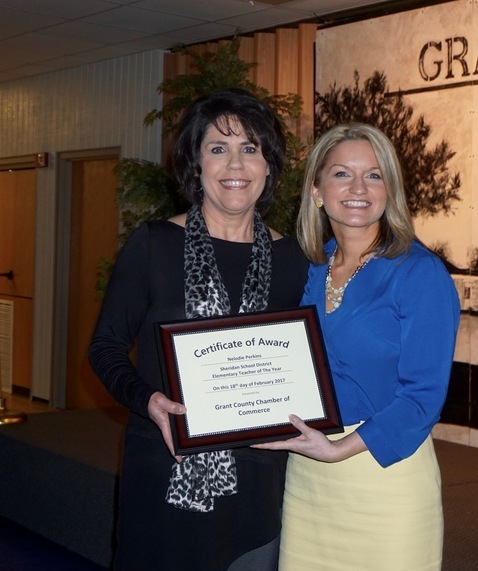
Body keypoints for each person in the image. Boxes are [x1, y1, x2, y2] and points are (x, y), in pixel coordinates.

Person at [88, 88, 308, 570]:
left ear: (268, 166)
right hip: (165, 468)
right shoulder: (153, 246)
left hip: (259, 475)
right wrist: (148, 400)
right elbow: (104, 348)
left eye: (250, 149)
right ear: (196, 165)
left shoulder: (294, 262)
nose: (235, 165)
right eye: (218, 149)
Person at [254, 123, 460, 570]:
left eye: (374, 175)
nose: (359, 188)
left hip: (386, 476)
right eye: (342, 174)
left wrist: (340, 449)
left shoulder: (420, 274)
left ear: (391, 189)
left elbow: (422, 398)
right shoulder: (306, 268)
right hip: (308, 476)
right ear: (316, 189)